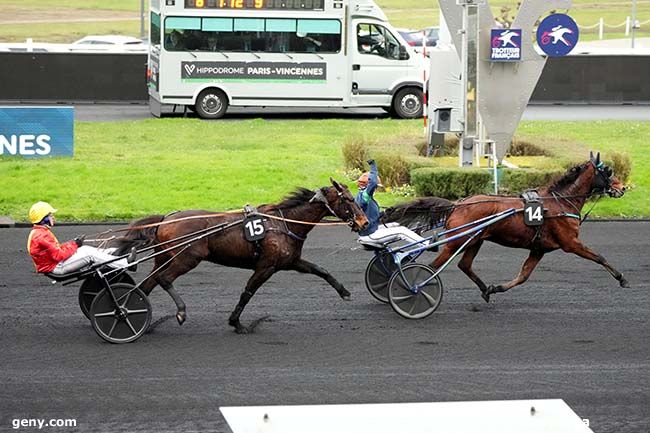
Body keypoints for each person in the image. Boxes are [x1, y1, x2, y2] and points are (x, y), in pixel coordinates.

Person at [27, 201, 133, 276]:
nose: (53, 217)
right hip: (57, 267)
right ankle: (125, 264)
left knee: (85, 249)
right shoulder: (41, 235)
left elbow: (57, 249)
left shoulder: (40, 232)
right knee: (90, 255)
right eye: (50, 215)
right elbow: (59, 255)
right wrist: (75, 244)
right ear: (44, 219)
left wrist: (74, 243)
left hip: (56, 264)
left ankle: (115, 253)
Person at [355, 160, 428, 248]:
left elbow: (372, 217)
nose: (376, 189)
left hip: (371, 230)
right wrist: (373, 166)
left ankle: (418, 235)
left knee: (398, 224)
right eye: (376, 188)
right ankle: (427, 244)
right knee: (401, 231)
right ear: (367, 185)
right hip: (370, 235)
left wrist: (386, 212)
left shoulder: (363, 197)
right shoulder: (363, 197)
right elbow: (373, 183)